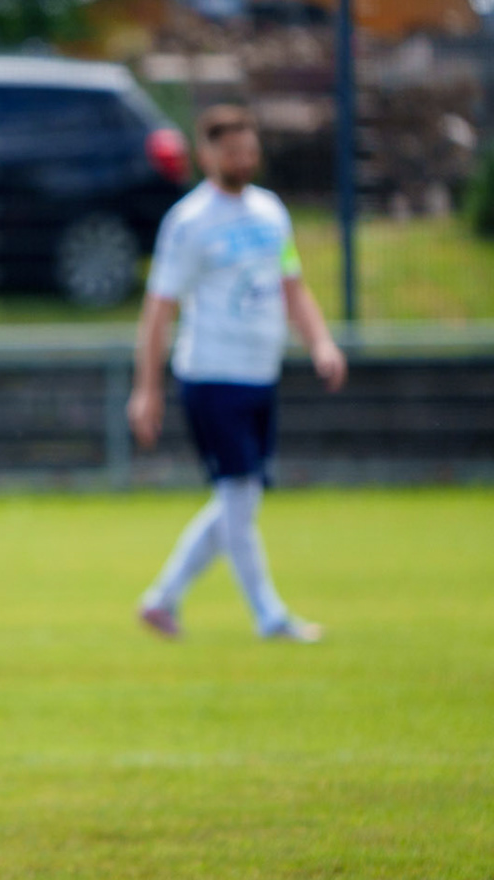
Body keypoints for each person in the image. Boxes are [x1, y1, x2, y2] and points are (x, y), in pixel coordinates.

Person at [128, 103, 347, 641]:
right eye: (231, 151)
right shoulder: (189, 222)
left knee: (237, 500)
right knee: (240, 495)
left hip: (260, 374)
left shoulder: (272, 213)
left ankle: (163, 599)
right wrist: (147, 389)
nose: (243, 160)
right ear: (206, 155)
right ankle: (269, 616)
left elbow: (291, 285)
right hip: (211, 375)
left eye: (249, 150)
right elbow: (159, 309)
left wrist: (320, 342)